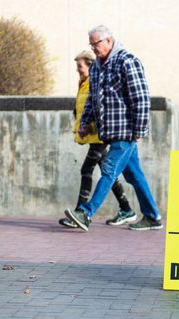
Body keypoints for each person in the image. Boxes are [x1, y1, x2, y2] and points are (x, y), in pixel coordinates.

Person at [65, 25, 162, 232]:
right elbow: (93, 98)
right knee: (134, 176)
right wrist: (84, 123)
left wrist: (139, 129)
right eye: (90, 44)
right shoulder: (99, 65)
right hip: (110, 132)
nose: (93, 48)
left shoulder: (127, 61)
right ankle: (153, 216)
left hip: (126, 131)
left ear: (109, 41)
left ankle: (86, 212)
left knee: (108, 170)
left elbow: (141, 98)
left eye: (96, 43)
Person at [59, 50, 137, 229]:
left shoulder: (93, 82)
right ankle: (126, 209)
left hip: (100, 135)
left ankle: (81, 212)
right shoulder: (84, 83)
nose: (78, 70)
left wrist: (88, 125)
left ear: (90, 65)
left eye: (80, 66)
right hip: (93, 134)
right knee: (108, 173)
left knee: (87, 169)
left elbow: (96, 106)